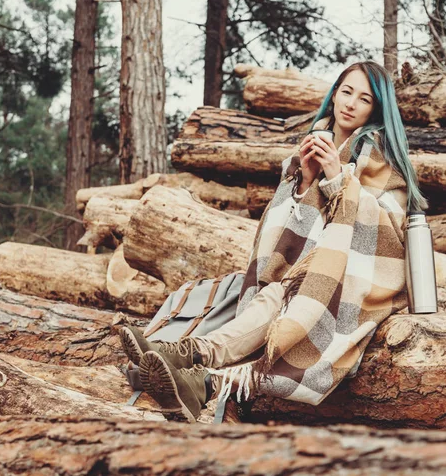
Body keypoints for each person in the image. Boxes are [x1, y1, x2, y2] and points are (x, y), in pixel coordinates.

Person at [120, 60, 428, 423]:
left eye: (364, 99)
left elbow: (386, 231)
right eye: (346, 92)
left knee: (281, 296)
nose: (350, 104)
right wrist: (304, 182)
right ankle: (193, 369)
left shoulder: (383, 163)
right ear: (333, 96)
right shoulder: (310, 146)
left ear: (376, 110)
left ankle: (187, 355)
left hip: (355, 284)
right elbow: (277, 227)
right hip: (301, 275)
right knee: (276, 294)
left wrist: (337, 180)